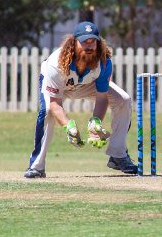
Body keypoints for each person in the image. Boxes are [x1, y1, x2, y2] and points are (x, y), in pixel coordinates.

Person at [24, 21, 137, 178]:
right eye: (84, 42)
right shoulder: (56, 63)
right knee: (48, 110)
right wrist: (69, 127)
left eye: (93, 42)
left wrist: (96, 122)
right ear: (74, 42)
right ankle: (37, 166)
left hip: (86, 85)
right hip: (60, 87)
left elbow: (102, 96)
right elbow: (55, 104)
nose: (89, 46)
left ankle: (117, 155)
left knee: (123, 100)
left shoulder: (103, 61)